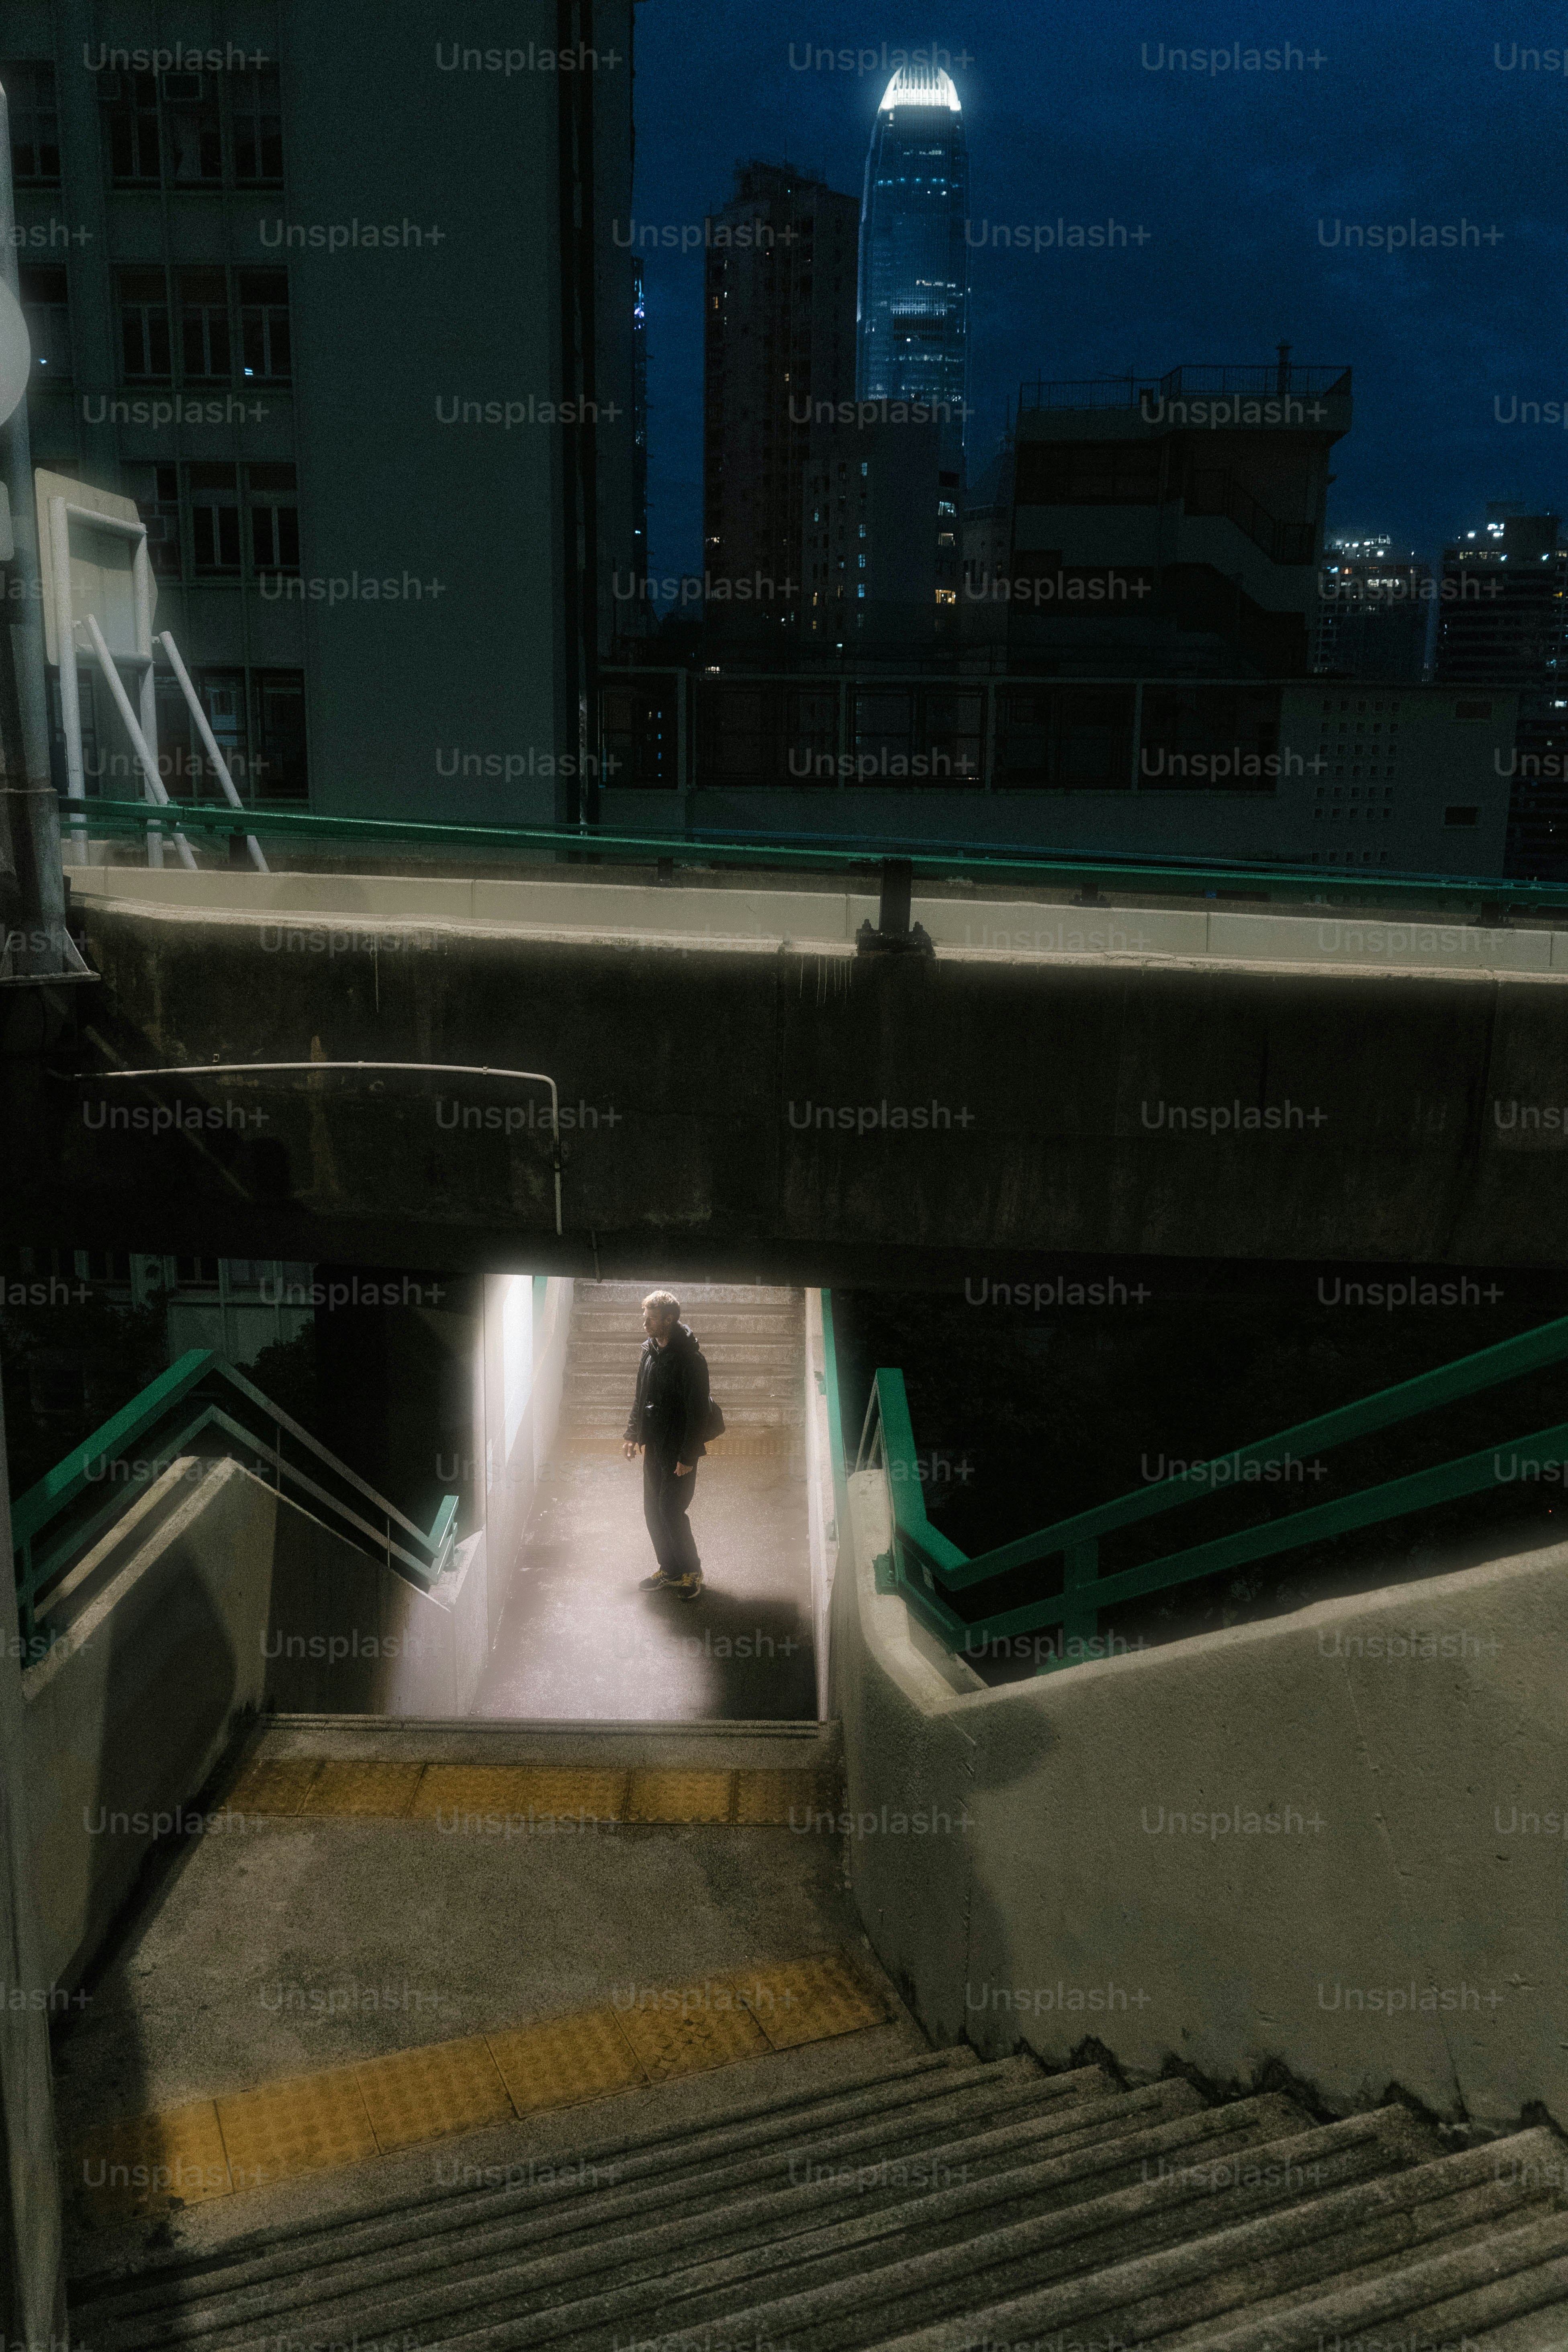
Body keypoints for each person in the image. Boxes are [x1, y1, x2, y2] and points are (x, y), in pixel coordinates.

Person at [622, 1289, 710, 1600]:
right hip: (655, 1446)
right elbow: (640, 1396)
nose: (645, 1324)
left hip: (679, 1449)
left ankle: (691, 1570)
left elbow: (698, 1412)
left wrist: (688, 1455)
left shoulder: (691, 1360)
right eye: (644, 1317)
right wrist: (633, 1434)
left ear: (669, 1320)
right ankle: (669, 1569)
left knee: (670, 1509)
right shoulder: (649, 1351)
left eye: (651, 1319)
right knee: (652, 1510)